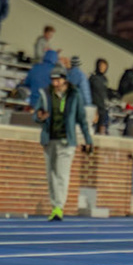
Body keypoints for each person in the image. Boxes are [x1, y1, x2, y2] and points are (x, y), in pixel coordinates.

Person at [34, 65, 92, 220]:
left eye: (58, 80)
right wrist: (39, 117)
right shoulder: (45, 94)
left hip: (67, 141)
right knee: (51, 175)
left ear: (64, 80)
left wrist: (88, 140)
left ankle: (59, 207)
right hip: (49, 139)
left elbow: (82, 119)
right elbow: (36, 114)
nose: (55, 83)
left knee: (61, 174)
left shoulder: (74, 94)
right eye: (53, 80)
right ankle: (55, 206)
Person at [89, 58, 112, 133]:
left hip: (103, 107)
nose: (102, 68)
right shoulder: (93, 78)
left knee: (102, 126)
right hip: (94, 106)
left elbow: (105, 92)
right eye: (101, 66)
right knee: (93, 125)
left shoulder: (105, 79)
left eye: (104, 66)